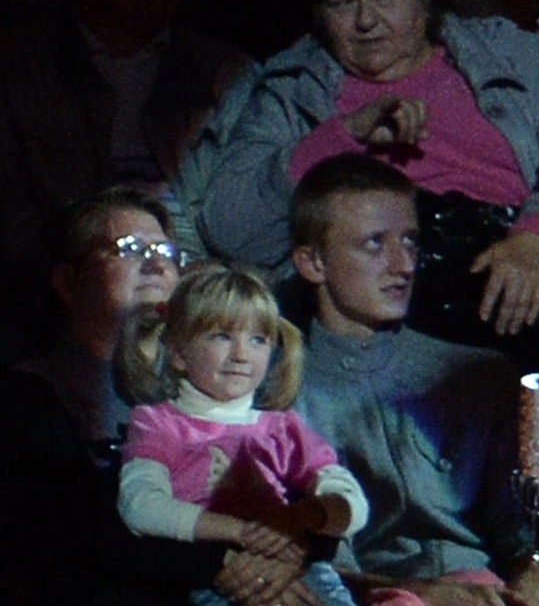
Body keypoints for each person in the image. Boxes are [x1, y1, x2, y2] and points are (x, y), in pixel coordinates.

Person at [184, 0, 539, 350]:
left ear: (425, 0)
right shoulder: (292, 88)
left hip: (524, 262)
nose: (366, 21)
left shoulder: (511, 54)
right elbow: (230, 228)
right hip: (391, 307)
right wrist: (342, 138)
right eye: (343, 3)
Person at [0, 187, 309, 606]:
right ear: (68, 281)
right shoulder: (31, 397)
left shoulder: (213, 385)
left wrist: (285, 554)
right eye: (130, 249)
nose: (157, 263)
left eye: (168, 252)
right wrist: (222, 563)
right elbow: (74, 531)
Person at [286, 153, 539, 606]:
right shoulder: (284, 392)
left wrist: (533, 569)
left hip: (487, 586)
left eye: (411, 242)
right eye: (374, 244)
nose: (403, 265)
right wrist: (424, 594)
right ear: (313, 262)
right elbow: (314, 567)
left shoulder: (477, 376)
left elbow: (524, 521)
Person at [0, 0, 251, 360]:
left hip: (196, 300)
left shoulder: (225, 74)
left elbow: (249, 216)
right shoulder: (21, 70)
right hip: (54, 299)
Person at [117, 263, 369, 606]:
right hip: (210, 578)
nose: (241, 354)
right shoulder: (159, 423)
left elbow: (348, 498)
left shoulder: (283, 427)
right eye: (221, 336)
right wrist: (240, 531)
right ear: (178, 352)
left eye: (257, 340)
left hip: (302, 569)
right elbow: (140, 505)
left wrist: (303, 516)